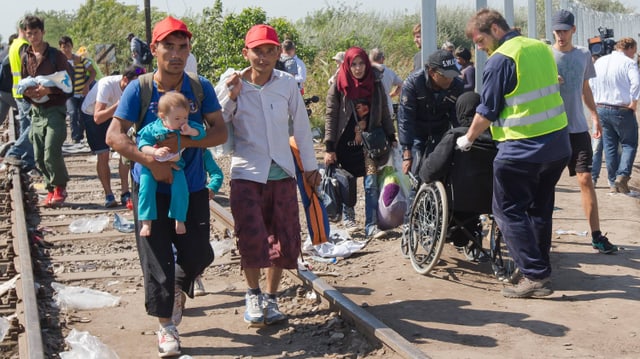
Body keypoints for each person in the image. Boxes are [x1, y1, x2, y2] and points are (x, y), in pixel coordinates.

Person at [106, 16, 226, 357]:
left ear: (189, 50)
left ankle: (176, 286)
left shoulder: (199, 88)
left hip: (190, 188)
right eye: (168, 47)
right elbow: (113, 136)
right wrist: (149, 161)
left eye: (182, 47)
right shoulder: (139, 89)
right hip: (150, 191)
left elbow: (220, 132)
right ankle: (166, 329)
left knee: (199, 253)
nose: (176, 54)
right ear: (154, 50)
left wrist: (187, 145)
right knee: (156, 261)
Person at [460, 8, 570, 298]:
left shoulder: (501, 60)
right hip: (557, 145)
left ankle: (534, 276)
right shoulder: (541, 48)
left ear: (495, 29)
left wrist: (468, 138)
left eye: (481, 41)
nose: (480, 49)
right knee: (539, 208)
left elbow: (487, 111)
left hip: (522, 149)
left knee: (507, 209)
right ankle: (538, 266)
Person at [221, 24, 319, 327]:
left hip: (282, 172)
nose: (263, 57)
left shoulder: (287, 83)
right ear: (245, 53)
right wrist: (232, 96)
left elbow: (301, 127)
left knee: (285, 238)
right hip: (247, 171)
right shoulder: (231, 82)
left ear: (278, 52)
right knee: (251, 237)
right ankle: (253, 293)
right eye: (257, 51)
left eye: (269, 51)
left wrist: (311, 166)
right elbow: (217, 121)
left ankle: (271, 298)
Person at [551, 9, 618, 254]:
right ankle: (541, 235)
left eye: (565, 31)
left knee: (586, 179)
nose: (561, 35)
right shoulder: (546, 55)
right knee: (545, 184)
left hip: (577, 129)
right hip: (551, 129)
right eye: (557, 30)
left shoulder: (583, 55)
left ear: (573, 30)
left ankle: (597, 235)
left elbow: (584, 88)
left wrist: (594, 116)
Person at [324, 46, 397, 237]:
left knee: (371, 181)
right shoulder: (338, 86)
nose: (358, 68)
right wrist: (329, 146)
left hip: (369, 143)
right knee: (346, 181)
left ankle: (371, 224)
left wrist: (391, 136)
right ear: (347, 65)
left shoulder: (376, 84)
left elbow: (384, 113)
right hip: (344, 143)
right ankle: (349, 218)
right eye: (354, 64)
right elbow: (331, 116)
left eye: (361, 64)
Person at [21, 15, 73, 207]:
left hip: (54, 109)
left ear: (42, 32)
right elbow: (23, 83)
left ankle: (60, 187)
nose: (33, 37)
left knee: (51, 150)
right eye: (29, 33)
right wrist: (29, 92)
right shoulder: (25, 56)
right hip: (36, 111)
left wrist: (49, 90)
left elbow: (69, 86)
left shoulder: (55, 56)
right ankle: (50, 189)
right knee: (38, 154)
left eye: (36, 33)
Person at [137, 92, 205, 236]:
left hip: (176, 165)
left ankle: (179, 219)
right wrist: (154, 152)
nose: (182, 121)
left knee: (181, 190)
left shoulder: (186, 126)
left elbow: (201, 133)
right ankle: (146, 222)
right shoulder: (153, 128)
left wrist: (190, 131)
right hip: (152, 165)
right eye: (177, 118)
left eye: (185, 117)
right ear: (163, 116)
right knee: (145, 189)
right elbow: (142, 144)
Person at [82, 65, 144, 208]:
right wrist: (119, 104)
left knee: (125, 151)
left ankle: (125, 192)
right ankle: (108, 194)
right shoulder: (107, 85)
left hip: (117, 114)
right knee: (103, 155)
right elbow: (98, 117)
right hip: (93, 115)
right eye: (132, 84)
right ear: (124, 80)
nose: (135, 88)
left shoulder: (139, 88)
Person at [398, 49, 463, 178]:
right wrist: (407, 153)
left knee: (443, 170)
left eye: (453, 74)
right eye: (446, 75)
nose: (450, 79)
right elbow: (405, 119)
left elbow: (458, 117)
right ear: (432, 72)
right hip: (417, 134)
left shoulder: (457, 85)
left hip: (441, 132)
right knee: (415, 171)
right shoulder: (413, 84)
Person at [590, 37, 639, 194]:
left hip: (601, 108)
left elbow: (590, 83)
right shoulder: (628, 63)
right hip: (621, 109)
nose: (635, 55)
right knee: (629, 144)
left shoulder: (600, 61)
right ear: (629, 48)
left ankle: (613, 184)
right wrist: (634, 103)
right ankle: (623, 175)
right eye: (634, 52)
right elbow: (636, 83)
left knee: (609, 146)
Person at [3, 24, 35, 172]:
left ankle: (27, 161)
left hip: (17, 91)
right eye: (30, 32)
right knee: (35, 125)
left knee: (25, 126)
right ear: (24, 31)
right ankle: (14, 152)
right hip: (26, 92)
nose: (32, 36)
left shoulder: (14, 44)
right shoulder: (23, 46)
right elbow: (28, 69)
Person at [59, 36, 96, 145]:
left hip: (82, 92)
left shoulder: (81, 60)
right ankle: (75, 137)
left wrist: (87, 85)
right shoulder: (60, 62)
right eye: (64, 47)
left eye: (68, 46)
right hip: (69, 94)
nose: (66, 49)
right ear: (60, 48)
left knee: (83, 114)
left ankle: (81, 135)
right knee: (72, 112)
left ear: (72, 46)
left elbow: (92, 72)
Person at [369, 48, 403, 119]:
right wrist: (392, 94)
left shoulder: (367, 71)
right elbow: (402, 84)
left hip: (371, 109)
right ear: (382, 58)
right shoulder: (389, 72)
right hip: (387, 107)